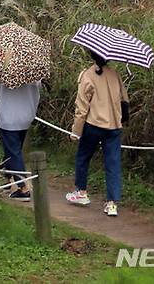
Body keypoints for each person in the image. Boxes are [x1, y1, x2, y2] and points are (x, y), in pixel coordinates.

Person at [65, 51, 129, 217]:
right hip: (114, 126)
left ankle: (81, 192)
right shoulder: (115, 75)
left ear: (92, 56)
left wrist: (76, 132)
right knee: (113, 163)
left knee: (83, 157)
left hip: (93, 124)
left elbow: (81, 108)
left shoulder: (87, 75)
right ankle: (112, 204)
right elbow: (125, 100)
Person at [0, 77, 41, 200]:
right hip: (27, 116)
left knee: (13, 152)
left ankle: (23, 188)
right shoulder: (33, 71)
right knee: (13, 149)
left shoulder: (1, 71)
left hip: (8, 117)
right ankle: (6, 178)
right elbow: (38, 92)